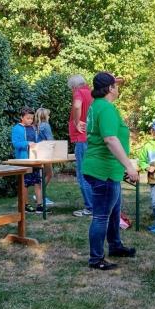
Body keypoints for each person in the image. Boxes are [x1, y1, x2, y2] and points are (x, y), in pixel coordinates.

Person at [82, 71, 138, 271]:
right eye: (116, 85)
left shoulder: (96, 106)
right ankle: (96, 259)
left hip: (105, 169)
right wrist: (129, 166)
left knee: (114, 211)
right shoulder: (105, 108)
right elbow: (110, 139)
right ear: (110, 89)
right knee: (101, 217)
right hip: (102, 170)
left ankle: (115, 245)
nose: (118, 88)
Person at [11, 106, 48, 213]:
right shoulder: (17, 128)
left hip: (35, 159)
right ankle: (25, 205)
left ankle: (40, 205)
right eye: (28, 118)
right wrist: (27, 143)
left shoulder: (33, 128)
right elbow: (16, 144)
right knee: (25, 183)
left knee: (38, 182)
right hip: (24, 161)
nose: (30, 120)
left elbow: (37, 141)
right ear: (21, 117)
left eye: (31, 118)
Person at [68, 75, 94, 217]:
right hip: (91, 137)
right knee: (91, 172)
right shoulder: (91, 93)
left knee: (83, 174)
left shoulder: (79, 93)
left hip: (82, 139)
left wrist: (77, 122)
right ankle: (96, 205)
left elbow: (77, 105)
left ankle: (90, 207)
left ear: (74, 86)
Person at [35, 107, 56, 207]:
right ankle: (41, 196)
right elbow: (50, 140)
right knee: (49, 174)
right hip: (45, 152)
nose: (49, 116)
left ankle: (40, 195)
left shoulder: (36, 126)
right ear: (45, 116)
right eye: (48, 114)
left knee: (42, 175)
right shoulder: (46, 126)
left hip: (37, 152)